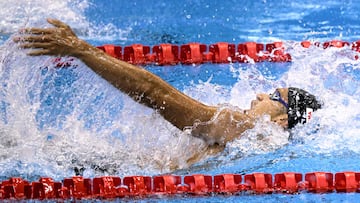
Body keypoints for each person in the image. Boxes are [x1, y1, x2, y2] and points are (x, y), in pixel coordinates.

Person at [14, 19, 322, 166]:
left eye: (272, 96)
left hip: (102, 173)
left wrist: (81, 50)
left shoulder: (243, 127)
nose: (258, 96)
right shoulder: (259, 147)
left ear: (282, 122)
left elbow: (151, 91)